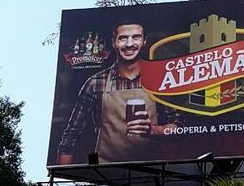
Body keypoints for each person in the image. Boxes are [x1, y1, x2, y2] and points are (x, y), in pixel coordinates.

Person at [57, 20, 176, 164]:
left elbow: (180, 126)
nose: (129, 44)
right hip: (104, 169)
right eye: (123, 38)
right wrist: (62, 177)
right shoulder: (95, 83)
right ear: (114, 43)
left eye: (136, 37)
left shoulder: (161, 79)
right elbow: (71, 135)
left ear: (144, 41)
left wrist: (154, 130)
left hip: (152, 168)